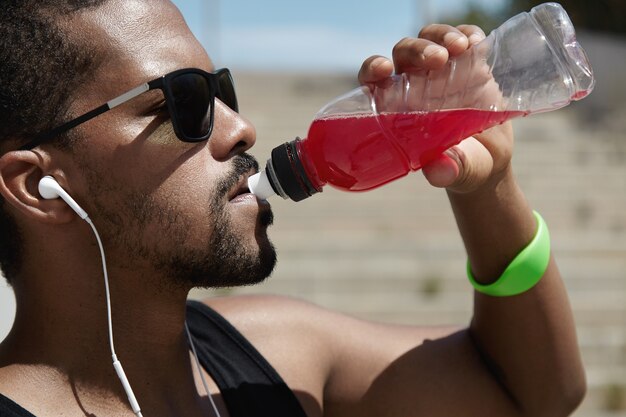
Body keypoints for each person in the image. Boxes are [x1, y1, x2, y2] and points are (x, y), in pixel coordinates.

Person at [0, 1, 586, 416]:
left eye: (222, 92)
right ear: (37, 185)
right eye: (183, 101)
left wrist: (488, 185)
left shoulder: (273, 355)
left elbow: (534, 396)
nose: (241, 128)